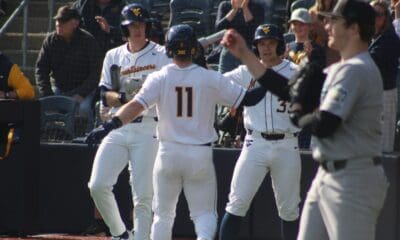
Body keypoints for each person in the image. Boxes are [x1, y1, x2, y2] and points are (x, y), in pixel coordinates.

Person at [221, 0, 389, 239]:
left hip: (353, 178)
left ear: (353, 28)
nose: (328, 26)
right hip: (330, 173)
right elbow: (287, 89)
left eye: (335, 21)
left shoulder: (357, 69)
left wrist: (298, 112)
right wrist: (246, 55)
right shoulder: (340, 67)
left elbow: (324, 124)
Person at [85, 23, 268, 240]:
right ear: (194, 49)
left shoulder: (159, 77)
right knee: (203, 214)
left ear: (169, 49)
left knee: (163, 216)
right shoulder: (209, 78)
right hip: (199, 154)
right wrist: (271, 79)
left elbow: (135, 106)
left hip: (167, 153)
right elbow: (250, 98)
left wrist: (110, 125)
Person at [86, 3, 171, 240]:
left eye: (141, 24)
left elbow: (164, 92)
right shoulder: (113, 55)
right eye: (132, 25)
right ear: (124, 28)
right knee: (97, 185)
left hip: (148, 127)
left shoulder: (162, 54)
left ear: (148, 26)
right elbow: (105, 94)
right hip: (118, 125)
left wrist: (139, 97)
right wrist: (125, 97)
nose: (137, 29)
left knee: (143, 196)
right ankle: (120, 234)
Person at [219, 24, 301, 240]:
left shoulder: (295, 71)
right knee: (236, 203)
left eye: (271, 42)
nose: (266, 48)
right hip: (255, 143)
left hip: (287, 143)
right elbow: (217, 83)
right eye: (261, 43)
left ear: (280, 45)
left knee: (290, 209)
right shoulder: (246, 71)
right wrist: (232, 97)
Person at [35, 5, 103, 132]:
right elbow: (41, 69)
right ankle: (48, 138)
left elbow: (96, 72)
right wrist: (47, 94)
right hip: (60, 88)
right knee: (42, 107)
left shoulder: (88, 41)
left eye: (63, 21)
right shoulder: (50, 40)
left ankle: (84, 140)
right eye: (57, 20)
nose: (58, 24)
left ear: (75, 23)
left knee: (83, 109)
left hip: (84, 90)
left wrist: (81, 93)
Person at [369, 0, 400, 153]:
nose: (374, 18)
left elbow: (372, 60)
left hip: (385, 95)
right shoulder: (372, 37)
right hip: (371, 95)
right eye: (371, 15)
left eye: (378, 15)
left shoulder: (389, 38)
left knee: (383, 146)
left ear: (385, 17)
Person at [215, 0, 264, 73]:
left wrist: (245, 9)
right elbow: (219, 28)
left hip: (249, 49)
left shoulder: (257, 7)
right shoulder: (225, 5)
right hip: (229, 49)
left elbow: (256, 31)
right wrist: (234, 10)